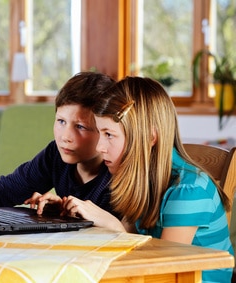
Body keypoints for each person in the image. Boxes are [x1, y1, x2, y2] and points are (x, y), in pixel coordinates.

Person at [63, 76, 233, 282]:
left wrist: (112, 225)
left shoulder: (189, 189)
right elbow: (132, 235)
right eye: (100, 133)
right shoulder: (142, 180)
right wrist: (76, 214)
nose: (100, 147)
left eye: (109, 134)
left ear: (150, 138)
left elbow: (165, 271)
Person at [0, 71, 118, 217]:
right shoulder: (56, 154)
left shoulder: (118, 174)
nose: (65, 137)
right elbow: (6, 191)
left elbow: (120, 233)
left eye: (80, 127)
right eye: (61, 121)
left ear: (105, 130)